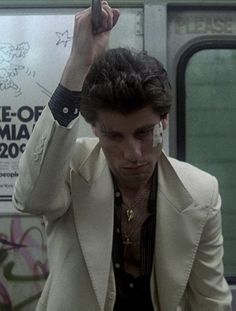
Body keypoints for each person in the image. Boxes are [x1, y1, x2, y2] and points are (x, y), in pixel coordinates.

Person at [13, 1, 232, 310]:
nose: (133, 154)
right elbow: (31, 198)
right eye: (114, 136)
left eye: (143, 133)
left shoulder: (200, 192)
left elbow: (210, 299)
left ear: (164, 121)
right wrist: (78, 63)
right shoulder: (72, 169)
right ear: (95, 130)